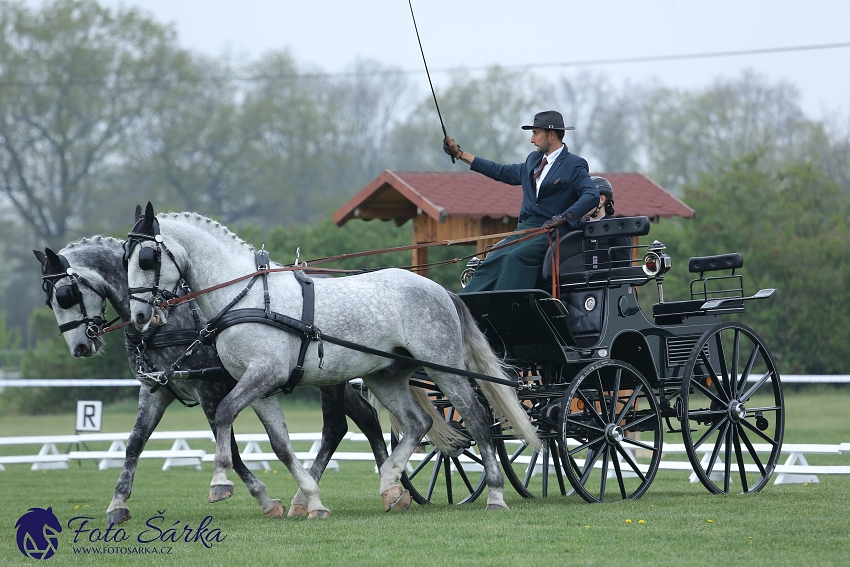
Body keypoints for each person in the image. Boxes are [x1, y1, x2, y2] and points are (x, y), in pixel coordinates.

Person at [443, 110, 599, 292]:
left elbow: (592, 195)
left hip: (555, 229)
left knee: (515, 257)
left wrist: (565, 217)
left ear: (551, 134)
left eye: (535, 133)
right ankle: (466, 307)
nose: (532, 140)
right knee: (494, 256)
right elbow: (501, 171)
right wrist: (460, 154)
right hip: (527, 227)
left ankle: (502, 309)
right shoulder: (533, 160)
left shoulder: (574, 164)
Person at [583, 176, 633, 269]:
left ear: (601, 199)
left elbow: (624, 267)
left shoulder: (617, 228)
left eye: (587, 197)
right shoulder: (579, 228)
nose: (582, 202)